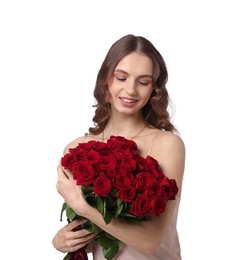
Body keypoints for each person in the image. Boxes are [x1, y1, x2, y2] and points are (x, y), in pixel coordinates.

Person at [53, 34, 185, 260]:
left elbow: (151, 241)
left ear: (155, 88)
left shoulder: (166, 144)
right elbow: (87, 230)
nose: (131, 90)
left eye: (143, 82)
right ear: (106, 78)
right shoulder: (77, 149)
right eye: (121, 77)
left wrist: (84, 208)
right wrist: (60, 240)